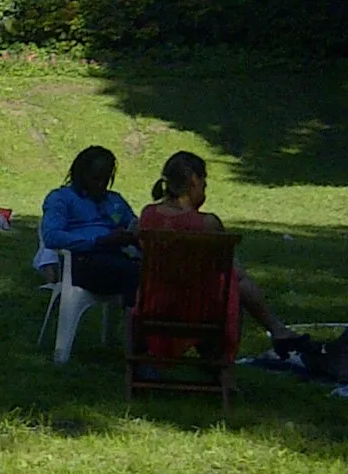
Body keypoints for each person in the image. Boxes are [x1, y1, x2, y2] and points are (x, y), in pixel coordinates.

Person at [140, 150, 289, 342]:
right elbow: (225, 264)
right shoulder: (207, 223)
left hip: (154, 303)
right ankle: (274, 331)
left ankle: (277, 330)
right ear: (194, 181)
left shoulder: (147, 215)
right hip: (198, 307)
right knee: (236, 279)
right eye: (204, 185)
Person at [39, 145, 141, 302]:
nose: (101, 185)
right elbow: (51, 236)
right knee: (133, 274)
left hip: (116, 256)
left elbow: (132, 224)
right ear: (82, 175)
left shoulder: (114, 201)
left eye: (106, 179)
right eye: (96, 179)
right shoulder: (61, 198)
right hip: (81, 261)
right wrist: (97, 242)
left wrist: (133, 235)